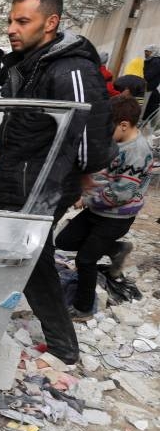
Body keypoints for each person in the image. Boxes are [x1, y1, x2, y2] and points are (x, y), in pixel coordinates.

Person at [0, 0, 113, 370]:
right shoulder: (33, 63)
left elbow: (87, 125)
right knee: (26, 256)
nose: (12, 29)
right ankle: (1, 314)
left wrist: (84, 173)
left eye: (22, 21)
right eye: (11, 21)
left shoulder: (70, 68)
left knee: (32, 259)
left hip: (44, 185)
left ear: (50, 23)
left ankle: (63, 346)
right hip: (24, 180)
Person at [56, 96, 153, 320]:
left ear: (124, 125)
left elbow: (121, 194)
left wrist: (86, 200)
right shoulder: (117, 142)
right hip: (98, 209)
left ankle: (83, 308)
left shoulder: (137, 152)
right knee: (64, 240)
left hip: (116, 217)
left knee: (85, 260)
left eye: (108, 128)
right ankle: (115, 249)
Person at [143, 44, 160, 120]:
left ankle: (139, 121)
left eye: (147, 51)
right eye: (145, 51)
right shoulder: (149, 60)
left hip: (148, 88)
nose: (145, 53)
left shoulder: (156, 62)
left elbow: (148, 75)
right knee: (142, 104)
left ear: (153, 52)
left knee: (143, 105)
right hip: (146, 88)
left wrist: (142, 78)